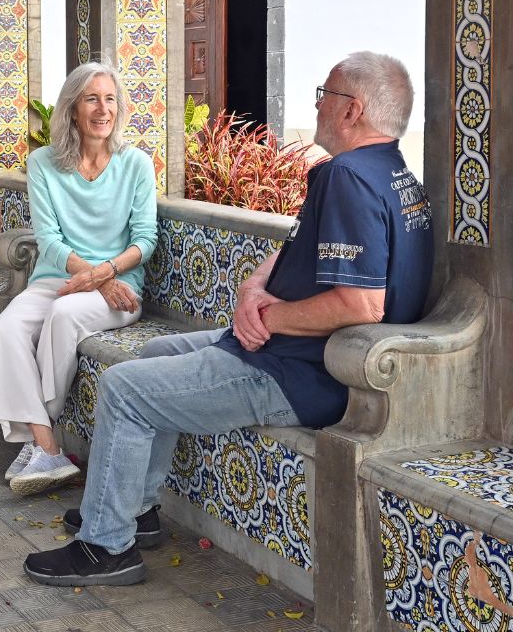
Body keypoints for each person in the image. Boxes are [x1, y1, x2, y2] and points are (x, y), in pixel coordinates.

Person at [22, 51, 433, 586]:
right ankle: (135, 510)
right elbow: (300, 251)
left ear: (351, 110)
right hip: (294, 355)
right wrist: (255, 286)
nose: (317, 106)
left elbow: (363, 305)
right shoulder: (391, 173)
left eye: (324, 96)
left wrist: (274, 318)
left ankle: (106, 546)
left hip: (299, 372)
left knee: (124, 387)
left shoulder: (348, 177)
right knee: (152, 353)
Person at [0, 61, 158, 496]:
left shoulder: (136, 164)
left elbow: (145, 240)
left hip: (119, 288)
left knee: (63, 316)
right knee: (5, 329)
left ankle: (40, 445)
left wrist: (106, 274)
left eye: (110, 98)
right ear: (72, 109)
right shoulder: (43, 163)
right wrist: (92, 276)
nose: (103, 109)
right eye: (91, 99)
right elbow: (50, 241)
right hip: (59, 279)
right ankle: (47, 444)